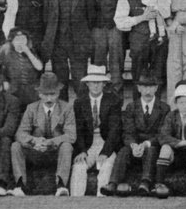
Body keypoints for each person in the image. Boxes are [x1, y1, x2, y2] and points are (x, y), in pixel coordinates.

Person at [102, 73, 170, 197]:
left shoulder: (164, 108)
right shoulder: (131, 107)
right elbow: (128, 131)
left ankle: (145, 182)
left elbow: (162, 133)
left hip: (153, 144)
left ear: (156, 88)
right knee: (123, 151)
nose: (147, 91)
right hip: (135, 145)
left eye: (151, 87)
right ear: (138, 89)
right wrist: (133, 145)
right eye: (144, 87)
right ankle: (113, 183)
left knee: (151, 150)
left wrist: (146, 143)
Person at [9, 72, 76, 197]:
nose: (49, 99)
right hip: (35, 151)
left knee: (67, 146)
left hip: (56, 152)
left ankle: (61, 185)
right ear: (39, 94)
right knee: (15, 146)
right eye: (45, 94)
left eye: (52, 94)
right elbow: (20, 133)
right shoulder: (31, 108)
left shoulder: (67, 108)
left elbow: (71, 135)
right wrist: (35, 141)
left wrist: (51, 142)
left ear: (58, 93)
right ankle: (19, 185)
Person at [114, 0, 168, 105]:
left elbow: (166, 11)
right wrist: (141, 18)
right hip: (139, 42)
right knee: (138, 77)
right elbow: (119, 21)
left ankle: (157, 111)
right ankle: (137, 110)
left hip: (159, 40)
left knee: (158, 76)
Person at [41, 0, 94, 101]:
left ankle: (82, 110)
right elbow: (46, 20)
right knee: (60, 80)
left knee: (80, 80)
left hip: (79, 44)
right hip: (58, 43)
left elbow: (91, 18)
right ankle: (62, 110)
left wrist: (84, 38)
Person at [70, 65, 123, 197]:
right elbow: (79, 130)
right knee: (79, 166)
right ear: (87, 83)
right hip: (89, 143)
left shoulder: (113, 100)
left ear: (104, 84)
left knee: (106, 165)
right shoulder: (79, 102)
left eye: (99, 82)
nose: (95, 86)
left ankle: (102, 198)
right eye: (93, 82)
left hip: (106, 142)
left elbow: (114, 130)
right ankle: (75, 200)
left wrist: (105, 152)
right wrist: (82, 150)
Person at [86, 0, 130, 95]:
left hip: (116, 28)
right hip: (97, 29)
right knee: (98, 62)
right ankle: (98, 95)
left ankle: (117, 94)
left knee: (117, 62)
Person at [0, 27, 43, 106]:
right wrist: (4, 81)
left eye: (23, 39)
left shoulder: (32, 52)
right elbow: (0, 70)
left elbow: (39, 67)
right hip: (14, 88)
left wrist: (28, 52)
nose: (20, 42)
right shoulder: (7, 53)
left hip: (31, 90)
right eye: (17, 39)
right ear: (12, 41)